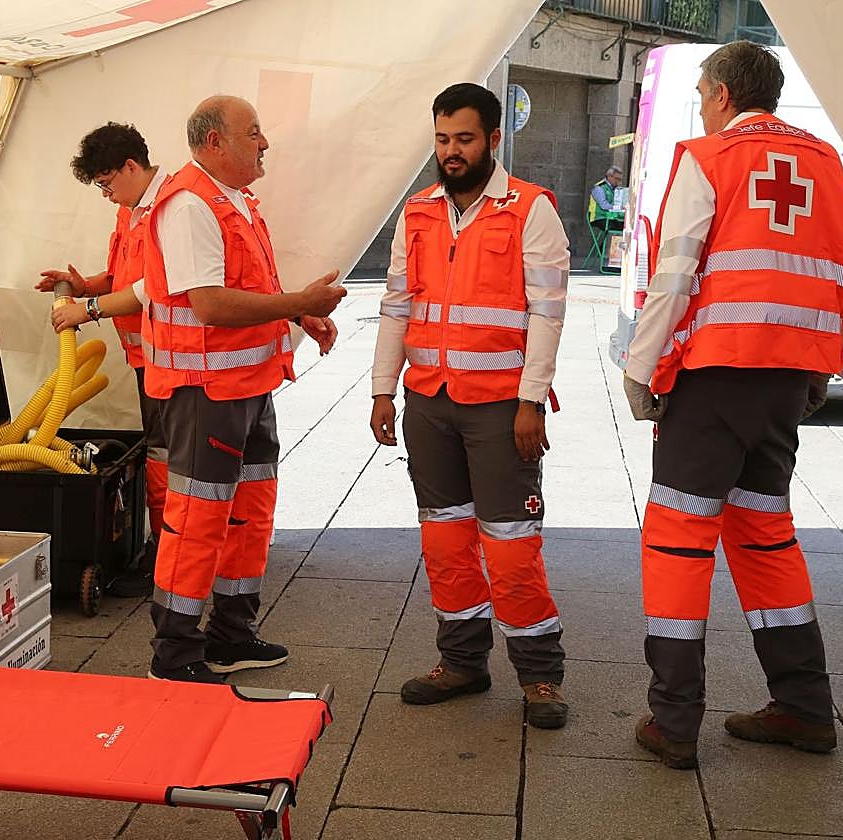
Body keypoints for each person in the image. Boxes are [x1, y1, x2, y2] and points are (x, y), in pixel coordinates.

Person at [622, 41, 843, 768]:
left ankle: (674, 720)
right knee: (765, 535)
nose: (701, 108)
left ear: (721, 95)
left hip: (713, 380)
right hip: (783, 387)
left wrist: (640, 369)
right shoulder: (826, 163)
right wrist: (827, 361)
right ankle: (804, 708)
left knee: (678, 540)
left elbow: (675, 274)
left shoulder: (711, 159)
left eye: (701, 95)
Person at [369, 83, 572, 729]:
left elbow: (548, 312)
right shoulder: (418, 212)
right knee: (446, 540)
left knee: (511, 545)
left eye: (464, 139)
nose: (451, 151)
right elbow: (396, 305)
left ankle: (539, 676)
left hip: (500, 406)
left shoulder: (530, 209)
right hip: (429, 400)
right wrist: (382, 387)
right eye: (442, 139)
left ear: (492, 139)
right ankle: (461, 662)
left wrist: (531, 399)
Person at [139, 95, 345, 683]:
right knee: (198, 519)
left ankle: (232, 635)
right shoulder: (189, 205)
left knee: (248, 512)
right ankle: (175, 653)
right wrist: (299, 301)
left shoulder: (232, 200)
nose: (264, 143)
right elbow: (209, 304)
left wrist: (298, 315)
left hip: (246, 387)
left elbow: (245, 287)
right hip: (208, 391)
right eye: (253, 132)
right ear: (215, 143)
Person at [41, 123, 170, 590]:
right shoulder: (130, 210)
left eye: (106, 184)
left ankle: (167, 560)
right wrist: (86, 286)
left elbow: (152, 289)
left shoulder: (169, 208)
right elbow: (121, 276)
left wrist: (87, 309)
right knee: (160, 454)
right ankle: (166, 551)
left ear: (131, 166)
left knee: (166, 458)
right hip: (147, 360)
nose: (106, 195)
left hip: (170, 363)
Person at [588, 165, 625, 232]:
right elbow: (604, 205)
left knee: (626, 225)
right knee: (623, 227)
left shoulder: (614, 189)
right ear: (609, 176)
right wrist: (618, 207)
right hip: (599, 218)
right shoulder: (599, 188)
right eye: (616, 178)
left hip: (610, 217)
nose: (618, 182)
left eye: (619, 180)